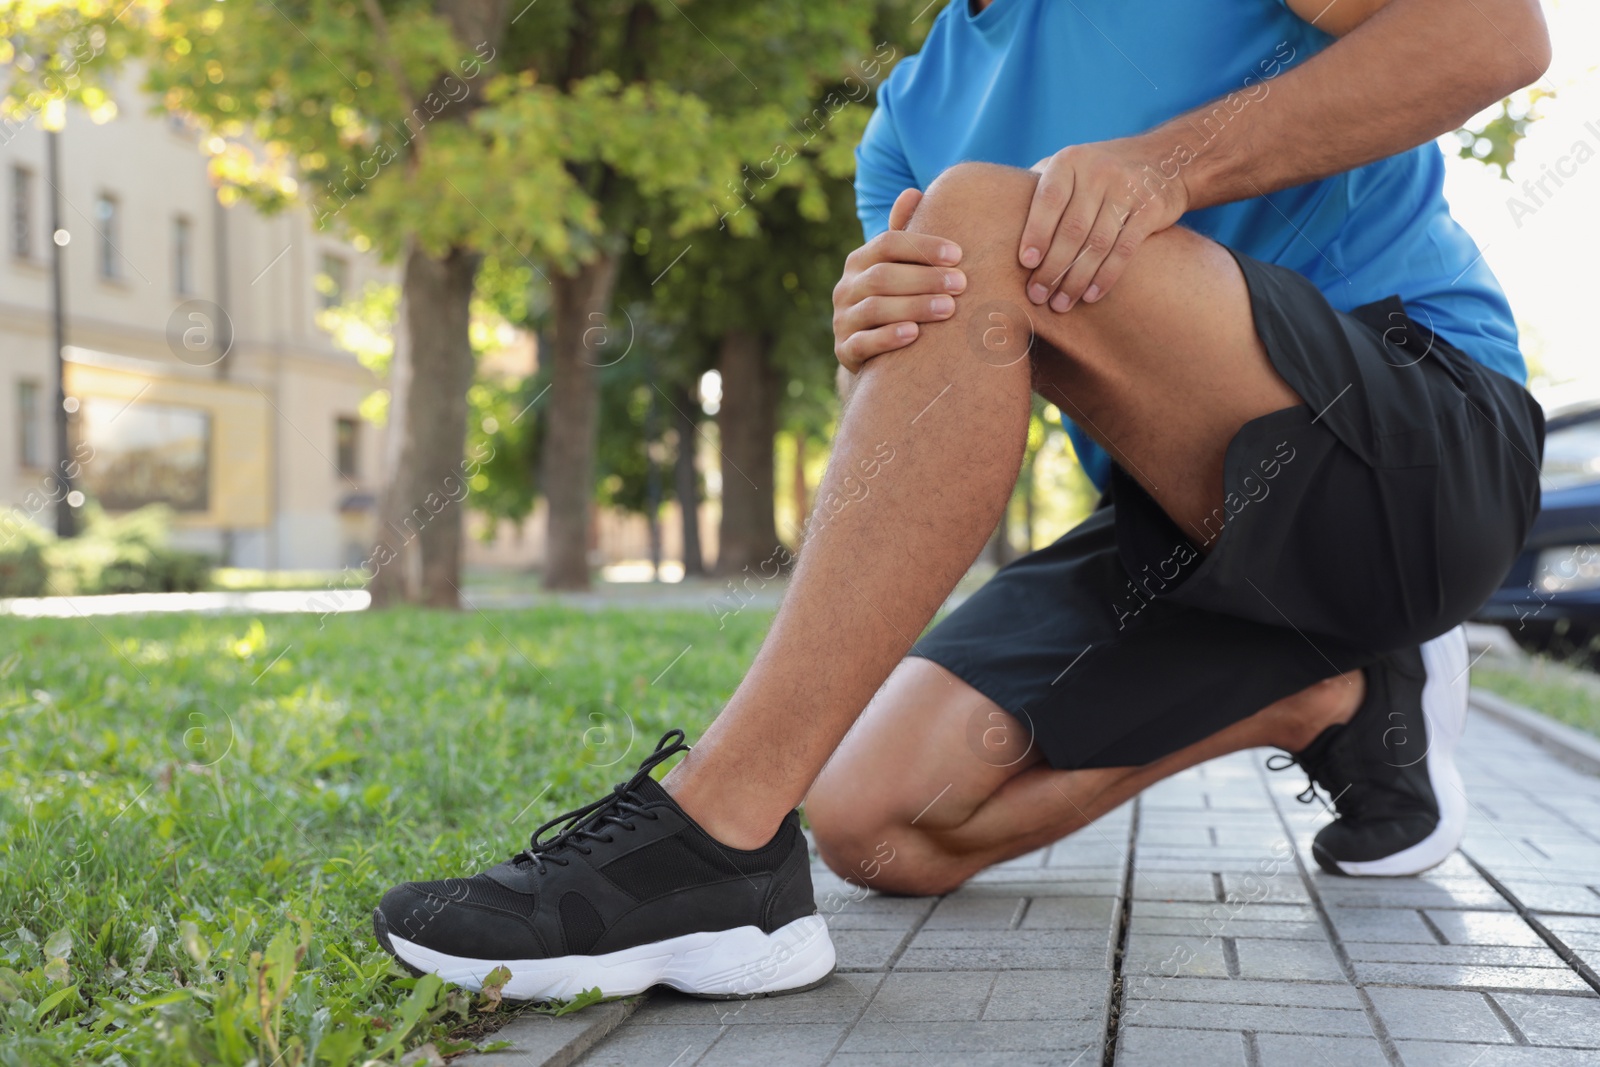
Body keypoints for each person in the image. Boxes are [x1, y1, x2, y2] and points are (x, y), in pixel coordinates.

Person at [373, 0, 1549, 1002]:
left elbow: (1493, 36)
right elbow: (935, 396)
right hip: (1183, 526)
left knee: (986, 215)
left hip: (1423, 452)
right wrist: (867, 333)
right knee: (872, 817)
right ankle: (1329, 692)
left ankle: (713, 836)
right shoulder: (903, 124)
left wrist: (1166, 165)